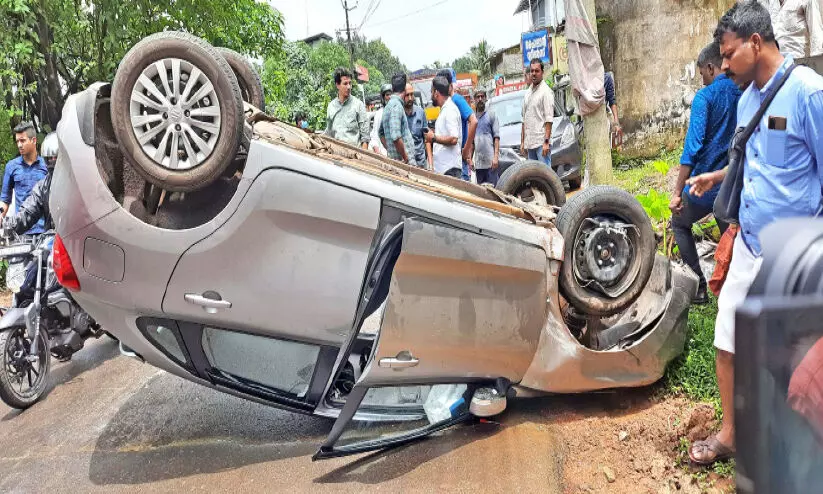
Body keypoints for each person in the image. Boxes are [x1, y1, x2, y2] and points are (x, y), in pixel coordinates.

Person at [686, 0, 823, 465]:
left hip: (793, 251)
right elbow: (756, 163)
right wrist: (719, 177)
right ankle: (732, 435)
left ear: (756, 43)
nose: (722, 66)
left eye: (727, 55)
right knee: (727, 336)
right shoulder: (746, 99)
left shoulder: (808, 94)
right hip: (748, 241)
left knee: (788, 357)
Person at [670, 41, 741, 304]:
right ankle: (736, 293)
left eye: (702, 74)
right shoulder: (742, 91)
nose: (702, 81)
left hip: (703, 187)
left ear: (710, 67)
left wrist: (677, 192)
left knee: (678, 223)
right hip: (732, 185)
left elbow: (693, 147)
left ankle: (699, 288)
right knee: (730, 238)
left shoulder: (705, 97)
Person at [1, 122, 49, 235]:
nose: (19, 145)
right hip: (20, 230)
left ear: (34, 140)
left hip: (45, 230)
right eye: (17, 141)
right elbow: (4, 200)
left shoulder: (46, 166)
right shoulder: (11, 166)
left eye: (22, 140)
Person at [436, 69, 477, 181]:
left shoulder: (456, 100)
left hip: (459, 158)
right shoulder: (447, 103)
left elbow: (473, 121)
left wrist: (467, 148)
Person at [757, 0, 823, 58]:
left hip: (799, 61)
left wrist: (815, 64)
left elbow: (816, 33)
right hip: (774, 62)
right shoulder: (766, 2)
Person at [425, 76, 462, 177]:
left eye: (431, 92)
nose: (431, 95)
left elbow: (454, 138)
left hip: (450, 169)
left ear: (436, 93)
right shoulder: (445, 110)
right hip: (445, 169)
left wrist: (433, 137)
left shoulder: (450, 110)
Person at [325, 67, 370, 149]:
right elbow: (329, 134)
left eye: (350, 83)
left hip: (355, 156)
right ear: (337, 85)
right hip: (336, 154)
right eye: (345, 83)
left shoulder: (358, 105)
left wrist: (362, 157)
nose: (349, 87)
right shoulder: (331, 107)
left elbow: (365, 137)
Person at [521, 59, 554, 166]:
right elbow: (524, 119)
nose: (534, 74)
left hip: (541, 144)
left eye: (537, 71)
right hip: (530, 144)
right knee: (534, 178)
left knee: (545, 176)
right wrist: (523, 143)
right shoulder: (528, 93)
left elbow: (549, 120)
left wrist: (546, 142)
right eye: (532, 71)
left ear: (542, 72)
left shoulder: (546, 92)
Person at [378, 74, 417, 166]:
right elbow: (395, 136)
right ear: (404, 90)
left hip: (397, 162)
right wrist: (405, 157)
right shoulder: (396, 106)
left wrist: (391, 150)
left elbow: (381, 133)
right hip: (405, 164)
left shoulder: (388, 106)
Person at [472, 91, 501, 186]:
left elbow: (496, 138)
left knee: (494, 190)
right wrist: (470, 159)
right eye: (478, 97)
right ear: (474, 99)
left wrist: (496, 157)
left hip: (491, 163)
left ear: (485, 98)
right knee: (481, 192)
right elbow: (472, 142)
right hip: (479, 164)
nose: (480, 99)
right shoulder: (472, 118)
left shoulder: (491, 115)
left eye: (482, 96)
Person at [404, 82, 429, 167]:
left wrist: (430, 164)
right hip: (406, 163)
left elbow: (427, 138)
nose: (410, 98)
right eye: (407, 95)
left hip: (421, 163)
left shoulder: (420, 112)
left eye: (412, 94)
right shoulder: (399, 114)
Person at [369, 84, 393, 156]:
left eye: (391, 94)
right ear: (383, 97)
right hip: (384, 154)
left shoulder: (399, 110)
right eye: (387, 95)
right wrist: (378, 152)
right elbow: (375, 135)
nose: (390, 97)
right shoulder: (380, 114)